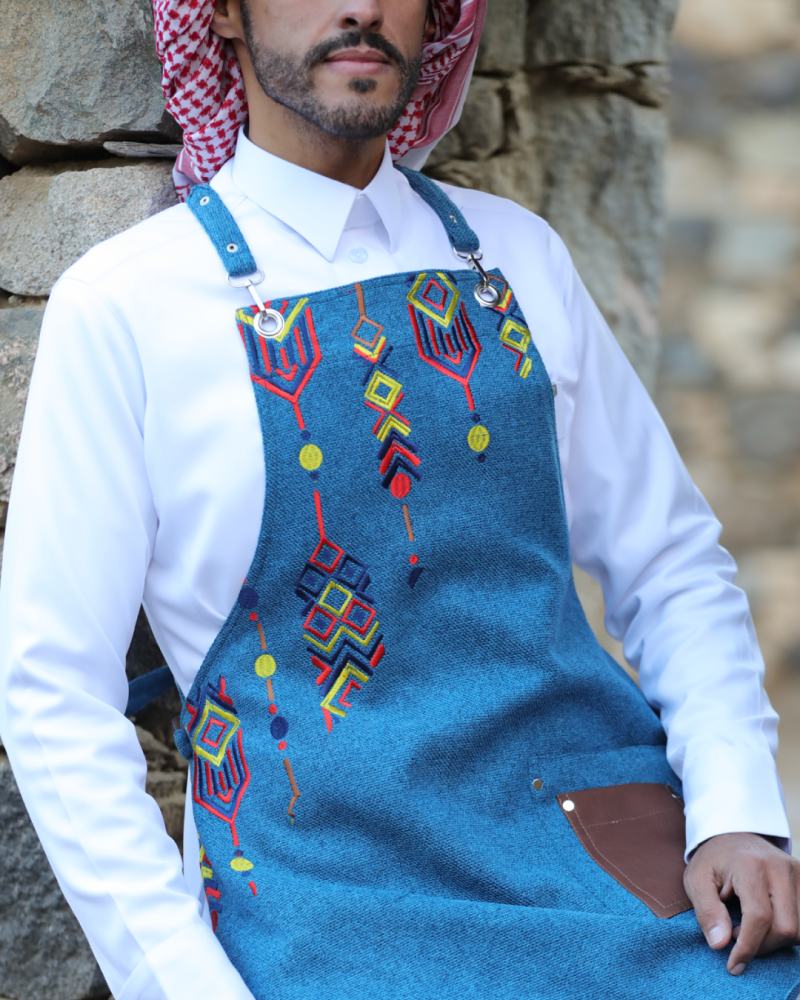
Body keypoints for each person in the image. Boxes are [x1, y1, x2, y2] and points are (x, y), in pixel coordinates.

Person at [0, 1, 798, 998]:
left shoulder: (518, 257)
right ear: (225, 14)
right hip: (323, 909)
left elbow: (669, 560)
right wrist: (182, 982)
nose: (362, 8)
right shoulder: (126, 305)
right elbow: (53, 690)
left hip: (597, 865)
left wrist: (736, 810)